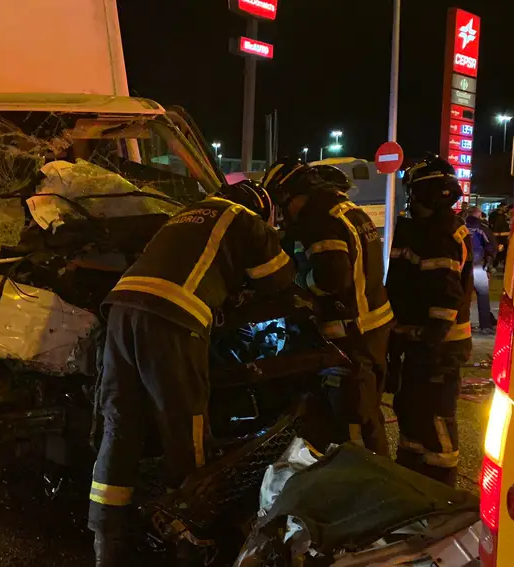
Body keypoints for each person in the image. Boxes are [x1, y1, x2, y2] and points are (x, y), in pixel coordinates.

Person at [90, 180, 297, 565]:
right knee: (187, 426)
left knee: (120, 424)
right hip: (174, 317)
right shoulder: (245, 219)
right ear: (260, 208)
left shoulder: (183, 216)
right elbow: (280, 279)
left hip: (120, 310)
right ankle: (190, 535)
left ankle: (107, 537)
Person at [260, 157, 394, 456]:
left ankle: (367, 486)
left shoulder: (317, 219)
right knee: (366, 412)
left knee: (354, 423)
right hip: (372, 328)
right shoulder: (346, 208)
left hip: (349, 334)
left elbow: (331, 277)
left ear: (291, 196)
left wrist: (295, 281)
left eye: (283, 208)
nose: (284, 217)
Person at [387, 155, 474, 487]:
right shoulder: (420, 230)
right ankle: (411, 474)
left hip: (438, 347)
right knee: (411, 408)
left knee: (435, 414)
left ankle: (440, 483)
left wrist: (428, 337)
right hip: (418, 342)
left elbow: (445, 296)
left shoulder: (440, 234)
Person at [466, 207, 497, 332]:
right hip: (478, 266)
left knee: (463, 296)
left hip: (461, 267)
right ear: (478, 215)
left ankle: (462, 325)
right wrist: (489, 262)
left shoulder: (461, 227)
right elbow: (491, 246)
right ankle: (485, 325)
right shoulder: (482, 228)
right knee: (483, 296)